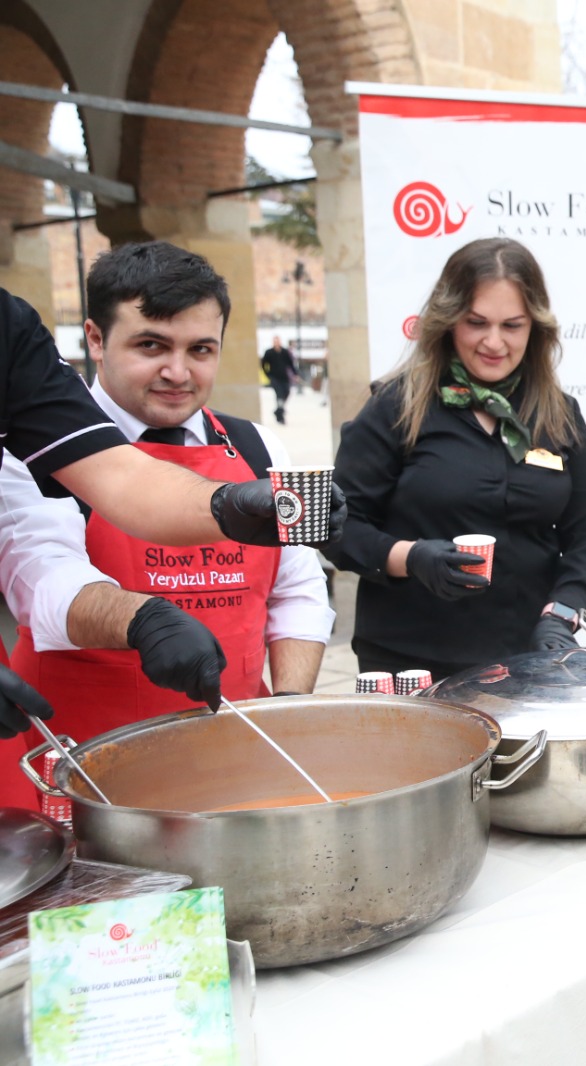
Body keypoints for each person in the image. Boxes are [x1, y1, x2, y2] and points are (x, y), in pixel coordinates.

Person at [0, 243, 336, 808]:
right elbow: (43, 583)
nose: (177, 373)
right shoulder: (33, 448)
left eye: (200, 350)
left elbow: (299, 590)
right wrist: (144, 620)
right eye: (151, 345)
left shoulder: (257, 446)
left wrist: (288, 710)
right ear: (96, 339)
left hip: (236, 757)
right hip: (87, 769)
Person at [327, 238, 586, 680]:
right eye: (476, 322)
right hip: (411, 664)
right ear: (448, 321)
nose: (494, 342)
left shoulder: (559, 414)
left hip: (526, 657)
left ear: (535, 328)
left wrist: (561, 613)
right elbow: (339, 526)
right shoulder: (398, 406)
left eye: (512, 325)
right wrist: (411, 557)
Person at [261, 334, 297, 424]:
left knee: (287, 392)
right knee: (279, 395)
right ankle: (280, 416)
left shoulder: (284, 352)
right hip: (274, 378)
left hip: (284, 377)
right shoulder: (269, 352)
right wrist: (268, 374)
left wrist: (295, 374)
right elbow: (263, 364)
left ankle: (278, 410)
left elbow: (290, 364)